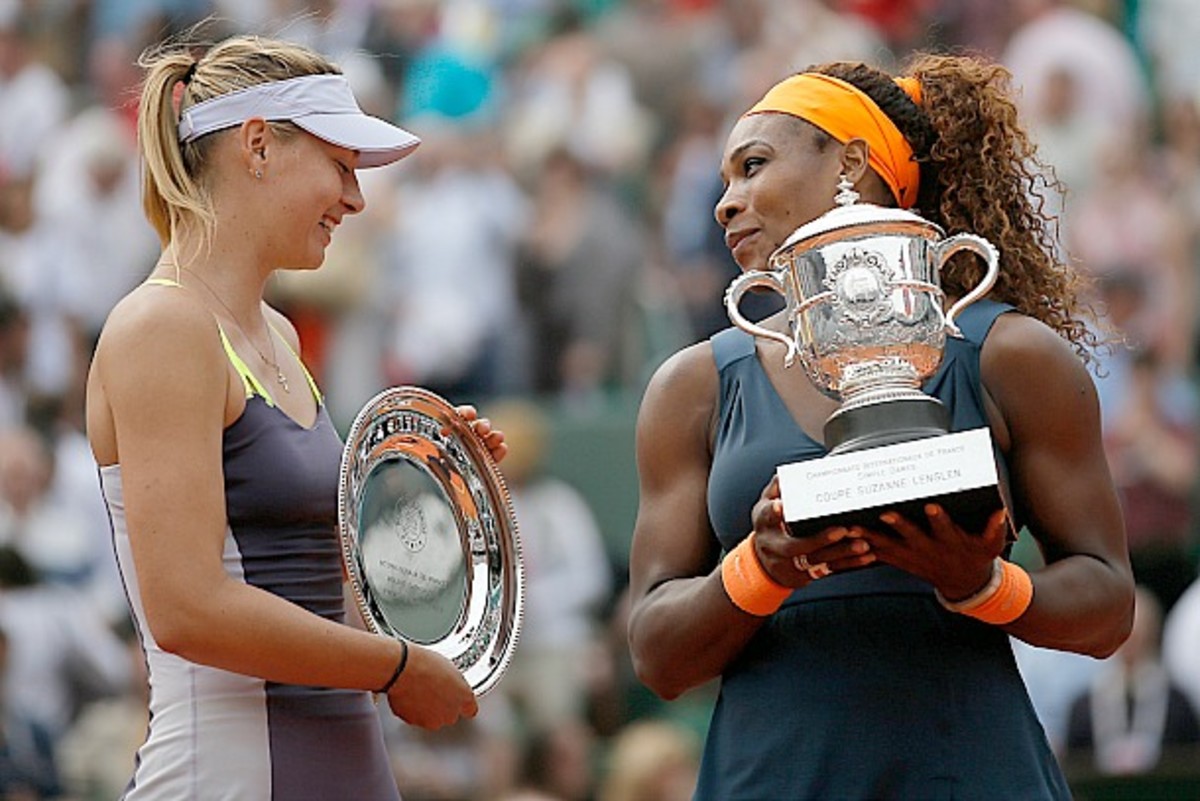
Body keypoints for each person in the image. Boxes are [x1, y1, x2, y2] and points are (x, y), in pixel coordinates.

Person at [627, 53, 1135, 799]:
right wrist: (758, 569)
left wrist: (986, 584)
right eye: (726, 179)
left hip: (970, 770)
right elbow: (656, 655)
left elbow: (1108, 607)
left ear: (853, 163)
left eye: (753, 165)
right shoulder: (692, 386)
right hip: (772, 777)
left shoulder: (1012, 354)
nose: (724, 202)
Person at [84, 31, 508, 800]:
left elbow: (330, 589)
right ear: (258, 147)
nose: (356, 198)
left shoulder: (275, 330)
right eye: (341, 166)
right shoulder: (163, 326)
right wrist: (396, 668)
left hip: (346, 768)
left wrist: (428, 491)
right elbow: (187, 606)